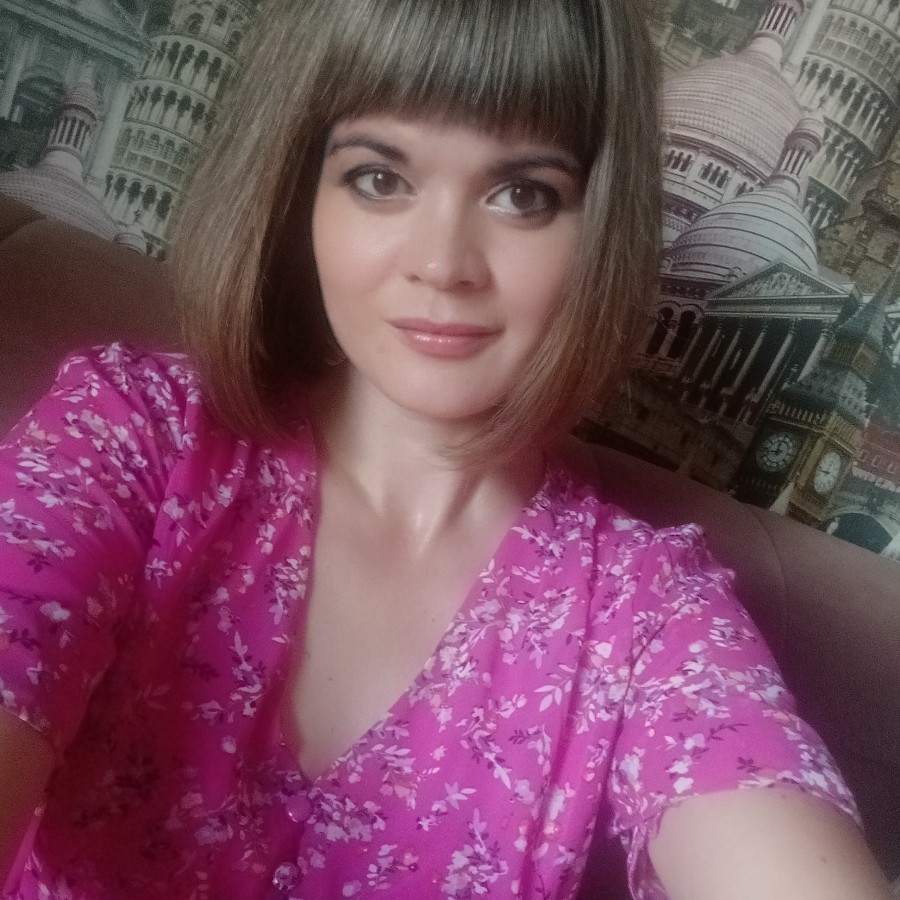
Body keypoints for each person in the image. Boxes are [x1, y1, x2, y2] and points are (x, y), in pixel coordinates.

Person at [0, 1, 894, 898]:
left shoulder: (642, 611)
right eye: (379, 177)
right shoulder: (133, 434)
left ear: (599, 230)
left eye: (524, 194)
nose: (443, 263)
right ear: (301, 191)